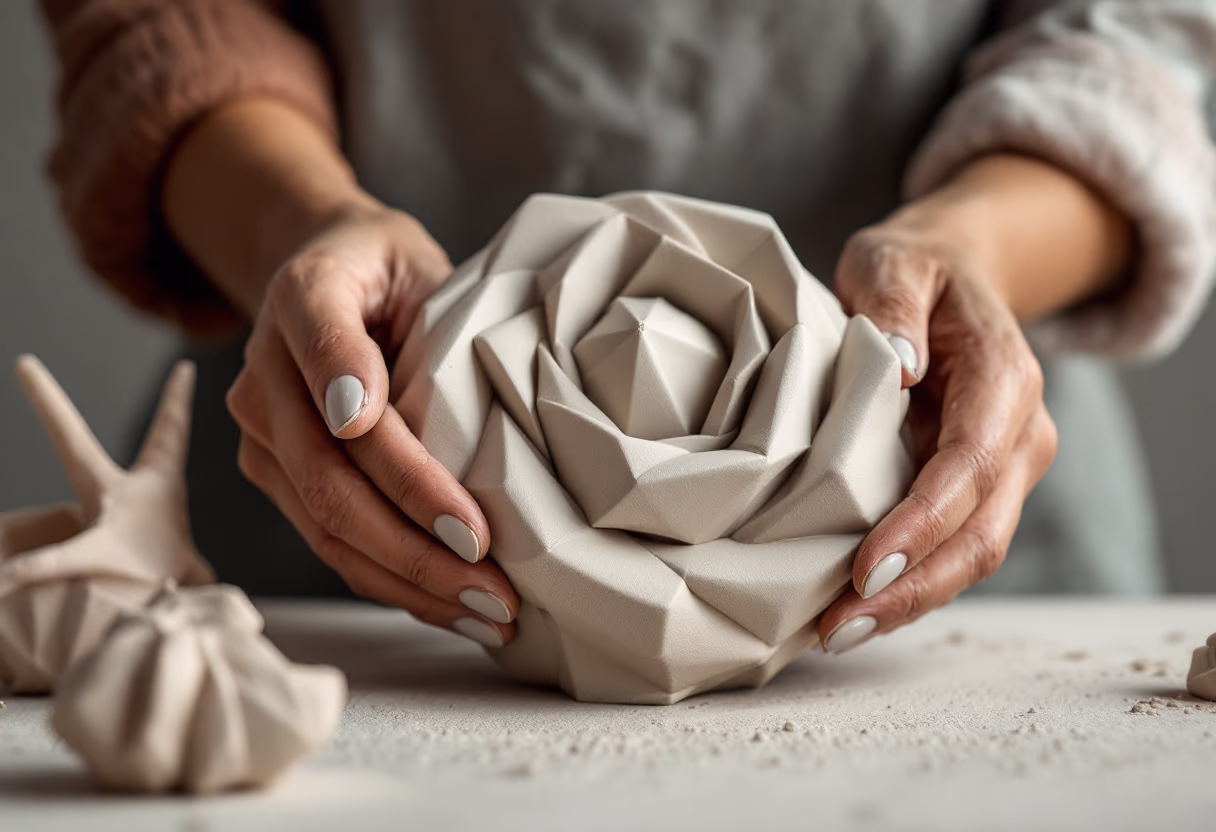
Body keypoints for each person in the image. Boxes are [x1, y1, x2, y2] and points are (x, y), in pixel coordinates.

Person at [39, 1, 1216, 655]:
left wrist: (977, 247)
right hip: (344, 542)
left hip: (932, 545)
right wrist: (308, 224)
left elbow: (1138, 31)